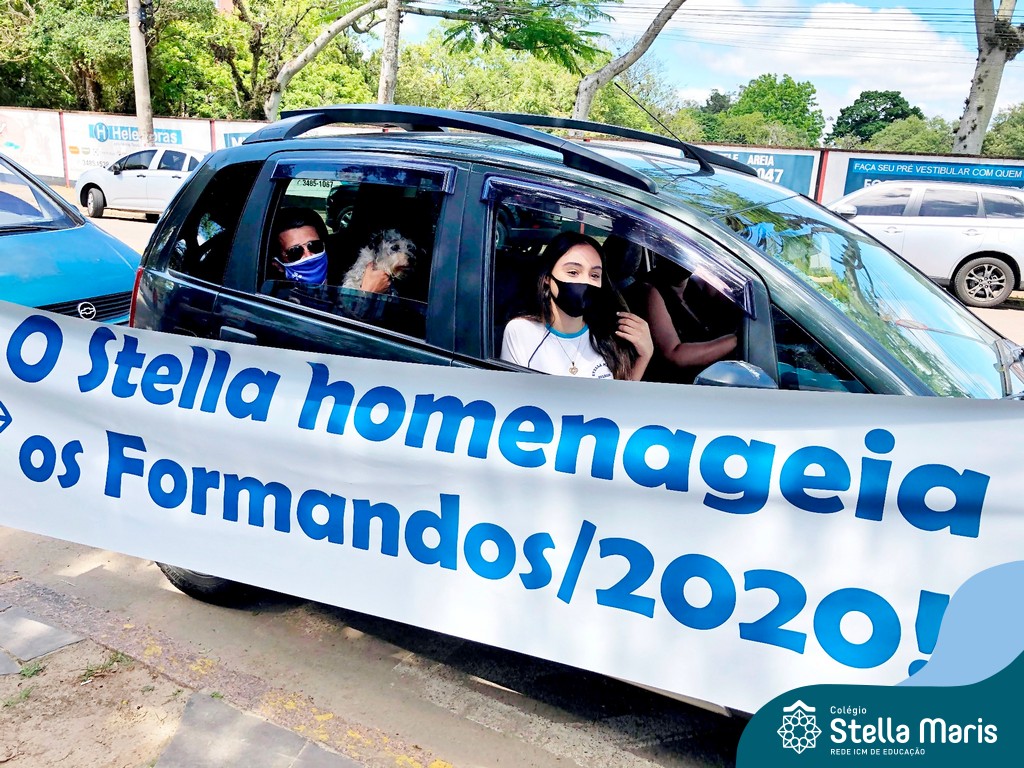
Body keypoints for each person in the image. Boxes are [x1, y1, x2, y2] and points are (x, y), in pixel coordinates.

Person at [500, 231, 653, 381]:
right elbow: (511, 393)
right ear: (547, 277)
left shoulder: (609, 334)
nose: (585, 281)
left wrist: (645, 355)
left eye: (594, 275)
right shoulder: (521, 331)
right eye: (573, 272)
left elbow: (619, 396)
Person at [640, 258, 738, 384]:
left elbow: (729, 299)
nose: (682, 258)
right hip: (678, 385)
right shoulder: (648, 290)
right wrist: (735, 340)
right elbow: (674, 354)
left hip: (713, 376)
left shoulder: (697, 284)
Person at [271, 207, 332, 285]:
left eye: (314, 246)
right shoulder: (271, 291)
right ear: (278, 265)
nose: (309, 256)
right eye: (295, 251)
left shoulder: (345, 283)